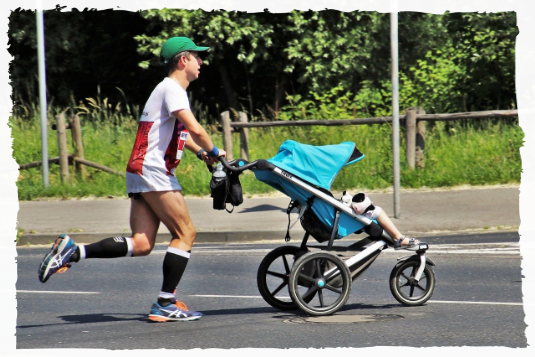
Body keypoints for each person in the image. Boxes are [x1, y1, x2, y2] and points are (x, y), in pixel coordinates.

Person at [38, 36, 226, 322]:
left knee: (141, 244)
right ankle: (165, 302)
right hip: (154, 171)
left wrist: (202, 154)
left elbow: (177, 133)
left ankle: (73, 252)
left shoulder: (165, 91)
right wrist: (215, 152)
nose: (201, 62)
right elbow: (195, 128)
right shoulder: (173, 89)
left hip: (139, 169)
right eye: (197, 57)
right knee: (185, 233)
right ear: (182, 60)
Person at [348, 192, 420, 250]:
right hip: (348, 216)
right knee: (378, 211)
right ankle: (398, 238)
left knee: (375, 211)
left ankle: (396, 237)